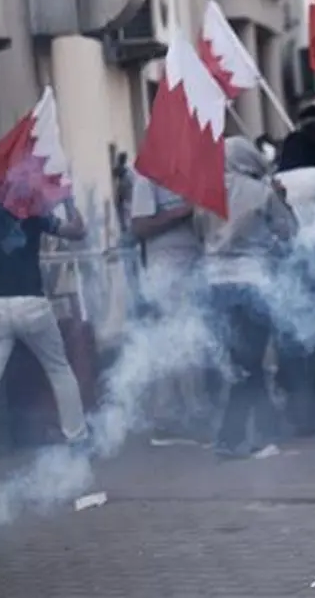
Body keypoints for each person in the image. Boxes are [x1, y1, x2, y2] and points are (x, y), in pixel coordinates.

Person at [0, 195, 91, 486]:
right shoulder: (32, 206)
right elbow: (78, 231)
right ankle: (77, 442)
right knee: (58, 370)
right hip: (32, 304)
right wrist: (67, 200)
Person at [197, 136, 299, 459]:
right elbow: (288, 231)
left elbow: (200, 232)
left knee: (240, 360)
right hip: (253, 280)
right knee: (251, 362)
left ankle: (263, 429)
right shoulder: (262, 192)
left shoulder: (206, 191)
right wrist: (282, 200)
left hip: (215, 283)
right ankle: (232, 437)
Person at [130, 172, 211, 446]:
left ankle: (175, 417)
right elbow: (139, 227)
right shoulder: (148, 177)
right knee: (180, 342)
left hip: (194, 264)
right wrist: (182, 212)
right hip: (166, 270)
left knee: (187, 342)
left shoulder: (190, 174)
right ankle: (183, 416)